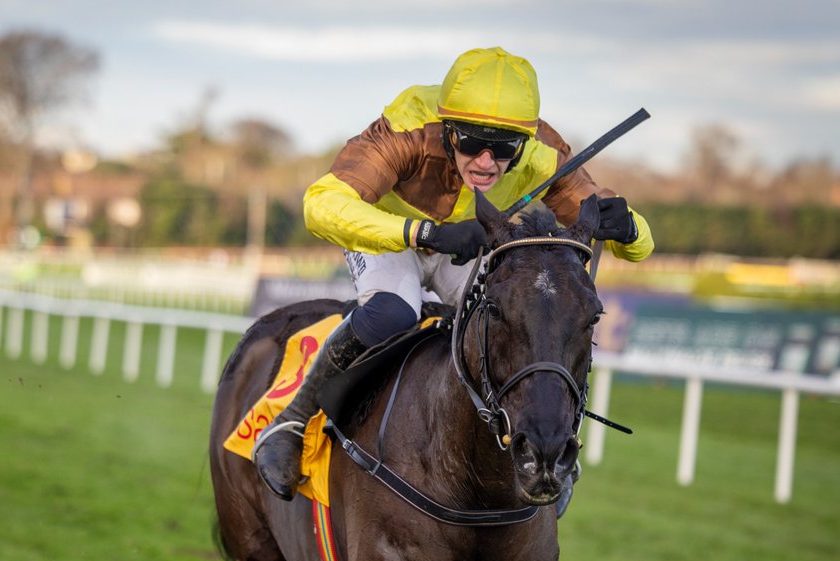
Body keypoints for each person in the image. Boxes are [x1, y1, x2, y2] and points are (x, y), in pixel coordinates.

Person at [253, 47, 654, 501]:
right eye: (471, 142)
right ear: (447, 128)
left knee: (521, 315)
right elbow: (320, 204)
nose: (486, 162)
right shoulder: (407, 126)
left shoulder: (541, 152)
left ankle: (543, 448)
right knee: (392, 313)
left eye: (503, 148)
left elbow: (633, 240)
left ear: (522, 141)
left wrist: (631, 227)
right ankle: (294, 418)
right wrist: (423, 231)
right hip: (389, 236)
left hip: (468, 244)